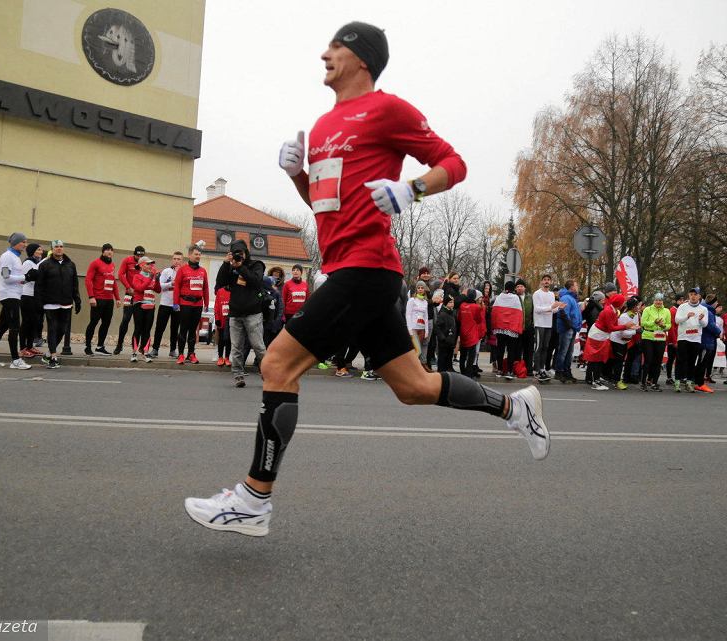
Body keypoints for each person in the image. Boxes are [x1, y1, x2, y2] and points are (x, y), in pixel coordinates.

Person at [184, 21, 549, 537]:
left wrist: (411, 189)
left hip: (367, 267)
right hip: (351, 268)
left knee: (277, 363)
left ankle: (253, 498)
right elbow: (323, 204)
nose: (324, 54)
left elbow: (454, 163)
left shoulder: (387, 110)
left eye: (335, 45)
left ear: (360, 57)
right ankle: (516, 407)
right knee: (414, 387)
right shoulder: (322, 125)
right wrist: (297, 175)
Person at [215, 239, 266, 386]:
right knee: (236, 347)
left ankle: (267, 373)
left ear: (246, 252)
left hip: (253, 313)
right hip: (235, 313)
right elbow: (220, 283)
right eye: (236, 253)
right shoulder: (231, 267)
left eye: (241, 253)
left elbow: (255, 281)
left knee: (258, 346)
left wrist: (241, 267)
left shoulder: (256, 265)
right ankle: (238, 375)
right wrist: (226, 264)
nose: (239, 256)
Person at [0, 233, 31, 369]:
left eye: (26, 242)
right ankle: (15, 360)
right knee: (14, 327)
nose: (25, 245)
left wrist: (27, 279)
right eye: (23, 242)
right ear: (15, 242)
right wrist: (25, 276)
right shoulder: (7, 256)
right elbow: (6, 276)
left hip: (14, 295)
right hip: (9, 295)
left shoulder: (15, 257)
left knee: (2, 327)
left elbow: (15, 278)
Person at [34, 240, 81, 369]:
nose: (59, 249)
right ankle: (53, 357)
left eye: (61, 246)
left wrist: (77, 300)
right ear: (52, 249)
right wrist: (39, 303)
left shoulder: (70, 265)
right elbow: (39, 285)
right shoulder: (45, 265)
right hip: (50, 303)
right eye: (56, 247)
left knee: (62, 329)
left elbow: (74, 284)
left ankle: (48, 354)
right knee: (53, 328)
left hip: (66, 302)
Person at [583, 293, 630, 390]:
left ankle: (592, 379)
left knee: (596, 359)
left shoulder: (612, 310)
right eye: (623, 302)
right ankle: (595, 381)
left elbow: (612, 325)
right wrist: (626, 326)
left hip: (600, 334)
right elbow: (611, 327)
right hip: (598, 335)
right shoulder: (609, 311)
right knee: (597, 359)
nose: (624, 303)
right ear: (619, 303)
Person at [173, 245, 209, 365]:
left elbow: (205, 288)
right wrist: (175, 303)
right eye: (196, 254)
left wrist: (206, 303)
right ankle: (181, 354)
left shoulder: (203, 271)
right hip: (185, 304)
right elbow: (177, 287)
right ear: (189, 255)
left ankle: (191, 353)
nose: (198, 256)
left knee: (193, 330)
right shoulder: (182, 270)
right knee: (183, 329)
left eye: (199, 254)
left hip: (198, 304)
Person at [84, 243, 121, 356]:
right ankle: (87, 346)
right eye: (107, 250)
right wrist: (91, 297)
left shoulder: (112, 265)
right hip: (98, 299)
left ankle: (100, 347)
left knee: (106, 323)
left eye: (111, 250)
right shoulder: (95, 263)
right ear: (103, 251)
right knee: (93, 322)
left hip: (109, 300)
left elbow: (113, 282)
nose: (109, 252)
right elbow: (88, 280)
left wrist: (117, 298)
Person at [673, 288, 707, 393]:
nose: (693, 296)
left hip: (696, 338)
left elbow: (705, 324)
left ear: (699, 296)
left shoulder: (703, 309)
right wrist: (686, 316)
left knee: (692, 361)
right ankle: (677, 382)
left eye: (695, 294)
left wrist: (700, 320)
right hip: (683, 337)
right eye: (691, 294)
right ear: (689, 295)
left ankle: (689, 382)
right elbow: (677, 320)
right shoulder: (683, 307)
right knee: (681, 360)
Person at [150, 251, 183, 359]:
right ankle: (155, 349)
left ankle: (173, 350)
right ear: (172, 260)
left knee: (175, 328)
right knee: (160, 327)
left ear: (182, 261)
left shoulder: (183, 272)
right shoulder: (166, 271)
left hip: (177, 305)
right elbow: (160, 286)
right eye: (175, 259)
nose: (176, 261)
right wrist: (170, 283)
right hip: (165, 304)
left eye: (179, 259)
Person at [113, 245, 145, 355]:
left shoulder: (145, 263)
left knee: (138, 322)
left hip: (140, 296)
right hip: (129, 295)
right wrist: (128, 287)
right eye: (138, 256)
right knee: (125, 319)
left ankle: (134, 348)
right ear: (134, 254)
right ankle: (119, 345)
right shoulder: (127, 260)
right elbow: (121, 274)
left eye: (141, 256)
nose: (139, 258)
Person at [130, 256, 161, 362]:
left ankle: (145, 352)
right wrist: (151, 277)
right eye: (148, 264)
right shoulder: (137, 276)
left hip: (151, 305)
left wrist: (157, 280)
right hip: (139, 305)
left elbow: (158, 290)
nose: (151, 266)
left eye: (151, 264)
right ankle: (134, 353)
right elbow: (140, 288)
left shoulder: (152, 276)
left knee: (147, 329)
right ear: (141, 265)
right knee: (138, 328)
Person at [492, 280, 524, 379]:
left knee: (500, 349)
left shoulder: (499, 297)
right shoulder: (516, 298)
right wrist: (519, 328)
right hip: (512, 329)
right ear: (514, 288)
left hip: (500, 328)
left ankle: (500, 370)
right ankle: (510, 371)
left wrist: (494, 326)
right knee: (511, 350)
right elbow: (519, 314)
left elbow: (494, 312)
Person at [531, 275, 560, 382]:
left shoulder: (552, 294)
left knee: (545, 347)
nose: (546, 282)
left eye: (548, 280)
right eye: (545, 280)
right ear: (541, 282)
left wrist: (559, 307)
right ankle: (536, 370)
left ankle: (542, 369)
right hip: (539, 324)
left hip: (548, 324)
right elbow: (537, 309)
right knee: (539, 347)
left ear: (550, 282)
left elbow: (553, 310)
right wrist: (551, 308)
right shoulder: (537, 293)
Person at [639, 293, 671, 391]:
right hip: (648, 336)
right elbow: (643, 323)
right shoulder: (647, 309)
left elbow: (669, 325)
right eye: (656, 300)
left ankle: (654, 383)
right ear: (654, 301)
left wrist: (663, 326)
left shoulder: (666, 311)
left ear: (662, 301)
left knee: (658, 361)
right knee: (648, 360)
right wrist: (654, 322)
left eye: (660, 300)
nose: (658, 302)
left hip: (660, 337)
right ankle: (643, 382)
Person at [19, 243, 44, 358]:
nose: (41, 252)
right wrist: (32, 275)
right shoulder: (28, 262)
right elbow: (23, 279)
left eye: (41, 250)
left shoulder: (37, 263)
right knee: (26, 322)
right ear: (32, 251)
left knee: (34, 322)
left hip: (35, 296)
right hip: (26, 295)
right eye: (38, 250)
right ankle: (22, 348)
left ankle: (30, 346)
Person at [553, 279, 581, 383]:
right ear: (572, 287)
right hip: (567, 328)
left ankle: (567, 371)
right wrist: (570, 326)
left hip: (572, 328)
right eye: (576, 285)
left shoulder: (572, 298)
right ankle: (559, 372)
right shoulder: (566, 298)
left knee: (569, 353)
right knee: (563, 351)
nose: (577, 287)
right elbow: (563, 313)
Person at [612, 297, 641, 390]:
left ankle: (616, 379)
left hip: (625, 341)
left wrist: (638, 329)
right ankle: (616, 381)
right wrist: (636, 331)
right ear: (632, 307)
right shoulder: (624, 317)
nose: (639, 307)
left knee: (620, 361)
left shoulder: (636, 314)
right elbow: (623, 332)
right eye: (637, 306)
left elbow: (634, 326)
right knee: (619, 362)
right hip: (617, 341)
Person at [693, 296, 721, 393]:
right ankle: (699, 383)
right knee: (702, 363)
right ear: (713, 302)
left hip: (706, 340)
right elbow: (710, 325)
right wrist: (718, 332)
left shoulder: (707, 310)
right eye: (716, 302)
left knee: (702, 362)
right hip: (705, 341)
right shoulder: (708, 312)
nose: (717, 303)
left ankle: (696, 381)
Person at [457, 289, 484, 377]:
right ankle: (468, 373)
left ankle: (462, 370)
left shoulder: (462, 305)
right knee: (471, 354)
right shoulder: (476, 307)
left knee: (463, 353)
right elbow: (479, 320)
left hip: (463, 332)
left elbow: (459, 318)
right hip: (472, 333)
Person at [406, 280, 430, 371]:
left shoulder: (425, 302)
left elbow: (426, 317)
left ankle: (414, 370)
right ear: (416, 289)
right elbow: (408, 315)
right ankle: (408, 369)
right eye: (418, 288)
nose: (420, 289)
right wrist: (409, 329)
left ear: (424, 289)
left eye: (422, 288)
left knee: (417, 350)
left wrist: (426, 330)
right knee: (418, 351)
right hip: (414, 329)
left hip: (422, 329)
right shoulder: (412, 300)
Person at [435, 294, 457, 372]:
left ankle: (449, 368)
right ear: (445, 303)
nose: (452, 304)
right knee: (442, 357)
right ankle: (441, 371)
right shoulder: (442, 314)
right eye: (450, 302)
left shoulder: (452, 313)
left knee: (449, 356)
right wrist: (443, 338)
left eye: (453, 302)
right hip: (444, 341)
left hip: (451, 340)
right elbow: (437, 327)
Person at [213, 284, 231, 366]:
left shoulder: (235, 291)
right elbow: (216, 306)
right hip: (222, 319)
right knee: (221, 339)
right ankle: (220, 357)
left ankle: (227, 357)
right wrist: (217, 318)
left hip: (231, 320)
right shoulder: (220, 291)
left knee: (228, 340)